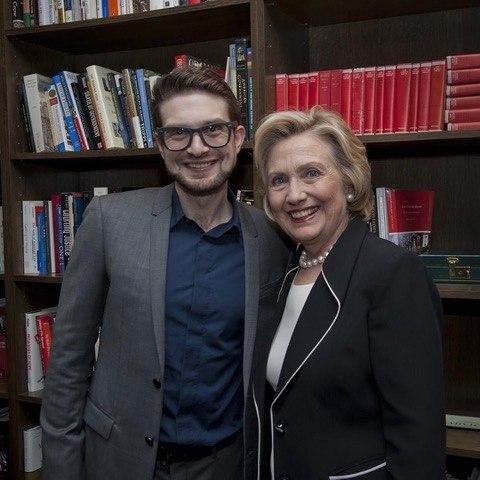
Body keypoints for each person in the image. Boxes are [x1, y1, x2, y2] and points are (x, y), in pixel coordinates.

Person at [40, 66, 290, 480]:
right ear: (160, 144)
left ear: (237, 137)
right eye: (178, 133)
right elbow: (68, 362)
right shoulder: (108, 222)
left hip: (229, 464)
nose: (197, 148)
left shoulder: (273, 237)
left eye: (213, 130)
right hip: (120, 461)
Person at [244, 107, 445, 480]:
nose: (295, 195)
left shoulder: (393, 273)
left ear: (349, 181)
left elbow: (418, 438)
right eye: (279, 180)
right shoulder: (282, 272)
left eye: (311, 173)